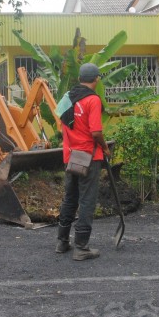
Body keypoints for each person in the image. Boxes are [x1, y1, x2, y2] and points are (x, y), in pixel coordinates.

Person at [56, 63, 111, 261]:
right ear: (96, 79)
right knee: (87, 200)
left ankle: (62, 242)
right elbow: (96, 132)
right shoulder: (93, 100)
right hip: (88, 157)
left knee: (70, 198)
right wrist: (105, 148)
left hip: (70, 156)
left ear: (80, 79)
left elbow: (61, 121)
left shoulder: (67, 97)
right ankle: (81, 247)